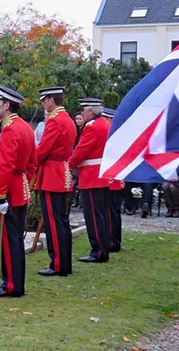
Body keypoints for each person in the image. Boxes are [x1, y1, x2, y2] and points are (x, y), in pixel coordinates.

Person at [0, 86, 36, 298]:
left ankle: (10, 284)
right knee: (14, 239)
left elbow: (5, 166)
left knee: (6, 239)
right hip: (19, 189)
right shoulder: (24, 127)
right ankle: (15, 283)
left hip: (8, 193)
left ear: (7, 105)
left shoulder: (10, 129)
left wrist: (0, 196)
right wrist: (25, 185)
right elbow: (32, 164)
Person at [34, 87, 76, 277]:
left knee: (53, 222)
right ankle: (64, 262)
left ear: (51, 100)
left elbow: (42, 150)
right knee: (61, 220)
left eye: (44, 100)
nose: (43, 103)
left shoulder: (55, 121)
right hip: (62, 173)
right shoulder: (67, 119)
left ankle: (57, 264)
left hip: (52, 174)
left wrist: (29, 161)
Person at [68, 98, 111, 263]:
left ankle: (98, 250)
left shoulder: (92, 127)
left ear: (91, 111)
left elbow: (81, 151)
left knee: (93, 216)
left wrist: (69, 165)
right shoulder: (103, 125)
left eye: (83, 110)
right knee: (99, 215)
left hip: (92, 176)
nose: (82, 113)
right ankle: (102, 248)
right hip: (99, 175)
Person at [101, 108, 123, 252]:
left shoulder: (112, 134)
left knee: (111, 211)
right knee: (113, 211)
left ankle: (113, 241)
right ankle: (114, 239)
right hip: (115, 176)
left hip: (112, 177)